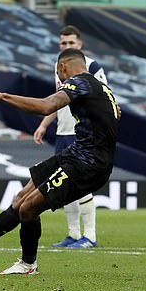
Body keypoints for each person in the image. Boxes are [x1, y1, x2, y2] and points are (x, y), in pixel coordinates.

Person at [0, 49, 119, 275]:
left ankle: (28, 264)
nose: (60, 79)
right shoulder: (101, 87)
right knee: (20, 198)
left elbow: (46, 106)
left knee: (28, 208)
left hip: (88, 164)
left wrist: (2, 97)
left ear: (63, 67)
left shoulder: (79, 82)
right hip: (78, 154)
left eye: (58, 73)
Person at [33, 25, 107, 249]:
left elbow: (104, 95)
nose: (67, 46)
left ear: (80, 45)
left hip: (81, 132)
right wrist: (44, 124)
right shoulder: (60, 68)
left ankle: (90, 236)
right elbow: (58, 100)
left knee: (81, 185)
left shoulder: (92, 66)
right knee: (66, 184)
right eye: (64, 43)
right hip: (62, 132)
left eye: (71, 43)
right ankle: (74, 234)